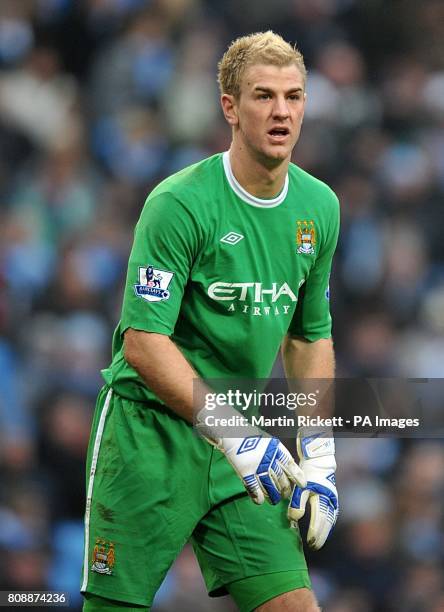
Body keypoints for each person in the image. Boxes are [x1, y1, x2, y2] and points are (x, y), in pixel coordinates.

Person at [81, 31, 340, 612]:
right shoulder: (180, 204)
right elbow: (145, 344)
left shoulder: (320, 207)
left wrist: (320, 453)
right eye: (263, 95)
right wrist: (238, 436)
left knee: (295, 606)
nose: (281, 111)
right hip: (150, 436)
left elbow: (309, 335)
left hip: (244, 444)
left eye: (294, 96)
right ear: (230, 107)